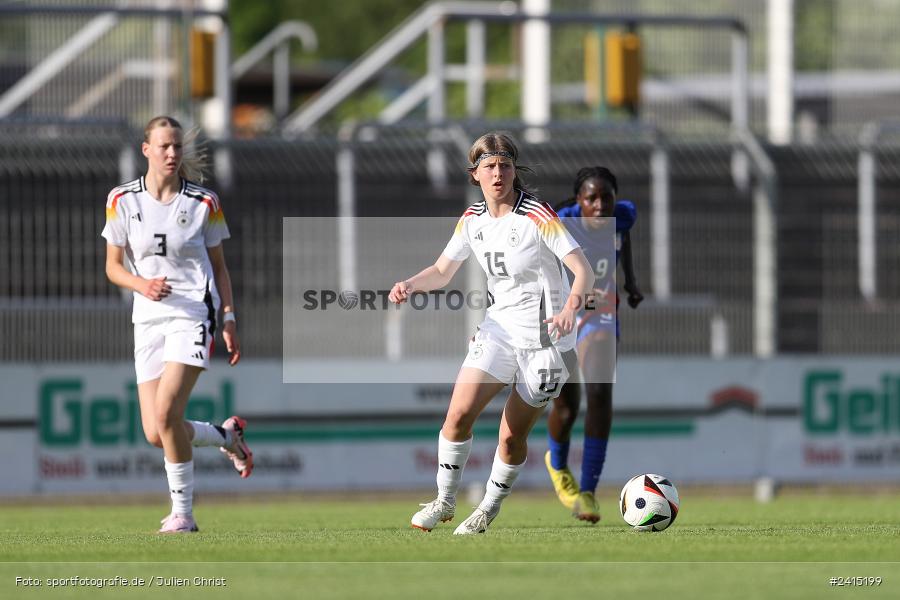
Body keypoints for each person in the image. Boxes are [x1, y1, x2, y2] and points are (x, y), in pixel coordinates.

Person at [389, 132, 594, 534]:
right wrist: (411, 284)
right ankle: (444, 502)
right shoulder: (472, 221)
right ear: (475, 174)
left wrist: (571, 307)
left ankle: (487, 508)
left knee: (510, 437)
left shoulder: (537, 215)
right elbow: (443, 271)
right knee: (457, 415)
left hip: (547, 342)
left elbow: (582, 269)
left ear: (515, 170)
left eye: (505, 165)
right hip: (499, 330)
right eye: (490, 167)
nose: (499, 173)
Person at [102, 116, 253, 534]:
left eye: (177, 147)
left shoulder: (203, 202)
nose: (172, 154)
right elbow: (113, 268)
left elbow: (220, 270)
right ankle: (226, 438)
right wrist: (140, 284)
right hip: (147, 319)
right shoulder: (121, 200)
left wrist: (228, 317)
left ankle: (183, 514)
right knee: (156, 432)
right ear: (146, 149)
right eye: (164, 146)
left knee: (168, 413)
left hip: (192, 315)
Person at [544, 166, 643, 523]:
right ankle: (556, 462)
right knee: (567, 408)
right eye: (592, 198)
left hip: (602, 311)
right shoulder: (560, 222)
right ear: (580, 202)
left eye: (606, 197)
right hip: (561, 315)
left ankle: (587, 491)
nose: (600, 205)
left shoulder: (623, 216)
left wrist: (630, 282)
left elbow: (623, 239)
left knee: (600, 390)